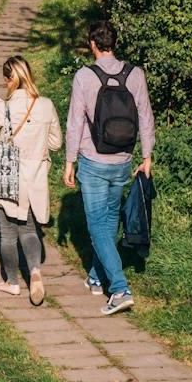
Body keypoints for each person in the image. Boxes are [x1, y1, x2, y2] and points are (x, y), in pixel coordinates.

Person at [65, 20, 155, 317]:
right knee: (108, 222)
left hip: (93, 162)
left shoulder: (85, 76)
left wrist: (69, 160)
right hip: (123, 160)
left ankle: (119, 288)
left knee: (96, 226)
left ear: (92, 43)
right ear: (114, 43)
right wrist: (147, 154)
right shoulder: (136, 74)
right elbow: (145, 115)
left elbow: (76, 121)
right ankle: (95, 277)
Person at [0, 56, 63, 306]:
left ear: (8, 79)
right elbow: (55, 143)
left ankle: (13, 282)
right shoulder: (46, 105)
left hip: (7, 177)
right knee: (29, 229)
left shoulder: (2, 107)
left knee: (7, 233)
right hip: (34, 178)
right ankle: (36, 272)